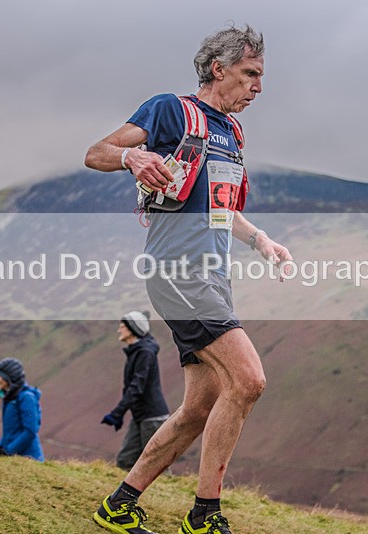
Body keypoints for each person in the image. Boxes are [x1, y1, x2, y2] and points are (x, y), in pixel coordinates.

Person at [85, 24, 292, 534]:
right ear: (219, 69)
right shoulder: (170, 110)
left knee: (198, 408)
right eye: (251, 74)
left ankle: (119, 504)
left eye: (261, 76)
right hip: (178, 274)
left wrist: (261, 240)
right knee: (248, 380)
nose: (258, 87)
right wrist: (132, 157)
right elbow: (96, 152)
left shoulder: (235, 133)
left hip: (214, 277)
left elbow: (225, 211)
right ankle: (205, 515)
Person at [101, 310, 170, 470]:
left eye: (123, 326)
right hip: (141, 416)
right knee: (126, 460)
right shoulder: (137, 351)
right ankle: (124, 494)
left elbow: (136, 387)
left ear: (133, 329)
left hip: (153, 418)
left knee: (157, 465)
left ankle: (166, 493)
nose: (119, 330)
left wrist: (117, 413)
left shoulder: (145, 353)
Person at [0, 357, 45, 462]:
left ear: (9, 378)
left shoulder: (27, 398)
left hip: (29, 459)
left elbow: (30, 431)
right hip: (14, 457)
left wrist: (8, 451)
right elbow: (10, 431)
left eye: (0, 376)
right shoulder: (10, 398)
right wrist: (0, 446)